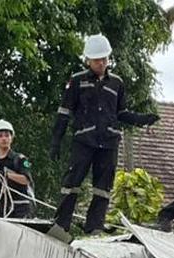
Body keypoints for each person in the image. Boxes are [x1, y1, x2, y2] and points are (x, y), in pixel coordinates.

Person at [51, 34, 158, 234]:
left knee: (103, 187)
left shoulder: (117, 83)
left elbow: (121, 113)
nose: (101, 63)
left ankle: (95, 226)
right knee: (72, 182)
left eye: (104, 59)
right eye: (97, 60)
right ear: (88, 60)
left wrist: (142, 119)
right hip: (84, 140)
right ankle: (61, 224)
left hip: (108, 141)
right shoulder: (77, 81)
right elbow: (64, 113)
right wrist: (56, 140)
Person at [0, 119, 36, 218]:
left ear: (11, 138)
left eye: (7, 135)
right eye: (0, 136)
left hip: (21, 208)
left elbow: (26, 180)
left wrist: (7, 175)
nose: (4, 139)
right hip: (1, 210)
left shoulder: (20, 159)